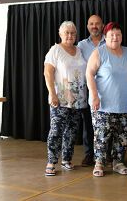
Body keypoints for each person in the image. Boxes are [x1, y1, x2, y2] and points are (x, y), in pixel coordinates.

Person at [86, 22, 127, 177]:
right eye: (111, 34)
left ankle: (117, 162)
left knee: (121, 138)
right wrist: (94, 95)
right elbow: (89, 74)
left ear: (122, 37)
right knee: (102, 136)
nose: (115, 37)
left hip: (125, 105)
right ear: (105, 37)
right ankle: (99, 163)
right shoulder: (98, 52)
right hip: (103, 105)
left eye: (118, 34)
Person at [44, 21, 88, 176]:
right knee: (56, 131)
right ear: (60, 34)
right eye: (67, 33)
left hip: (78, 100)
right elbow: (48, 73)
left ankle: (66, 160)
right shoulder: (55, 50)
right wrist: (52, 93)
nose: (70, 35)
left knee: (71, 132)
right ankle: (51, 162)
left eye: (73, 33)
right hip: (60, 99)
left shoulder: (79, 50)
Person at [77, 15, 106, 167]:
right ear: (88, 26)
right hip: (87, 90)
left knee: (107, 123)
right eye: (91, 24)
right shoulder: (81, 45)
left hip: (108, 89)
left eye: (97, 23)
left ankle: (105, 155)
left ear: (102, 25)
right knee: (88, 123)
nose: (94, 26)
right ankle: (89, 154)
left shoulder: (110, 41)